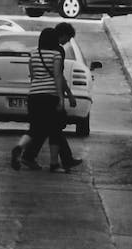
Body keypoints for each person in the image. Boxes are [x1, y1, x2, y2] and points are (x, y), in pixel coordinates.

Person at [13, 27, 81, 172]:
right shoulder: (56, 54)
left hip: (34, 95)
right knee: (55, 130)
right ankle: (54, 164)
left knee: (35, 128)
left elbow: (32, 75)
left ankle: (19, 147)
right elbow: (57, 76)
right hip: (50, 96)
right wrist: (61, 98)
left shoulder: (34, 54)